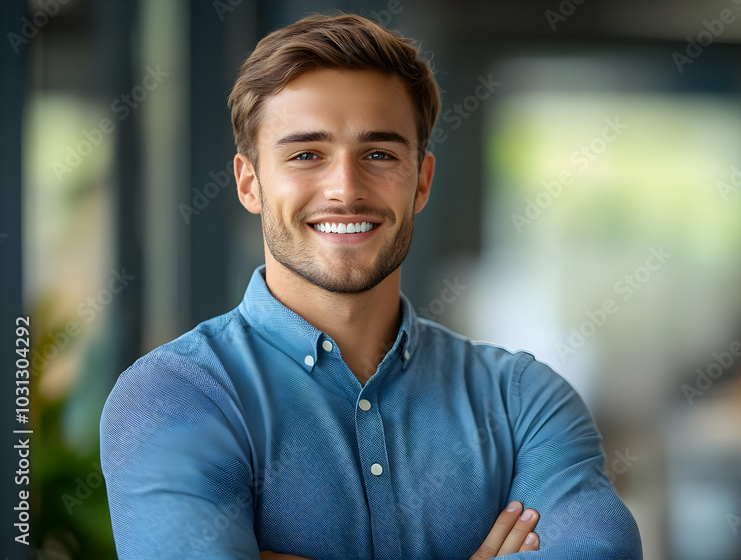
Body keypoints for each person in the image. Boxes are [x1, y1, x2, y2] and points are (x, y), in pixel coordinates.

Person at [99, 13, 641, 560]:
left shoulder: (524, 401)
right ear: (249, 183)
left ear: (422, 181)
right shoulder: (176, 395)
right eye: (306, 154)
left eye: (379, 154)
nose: (345, 189)